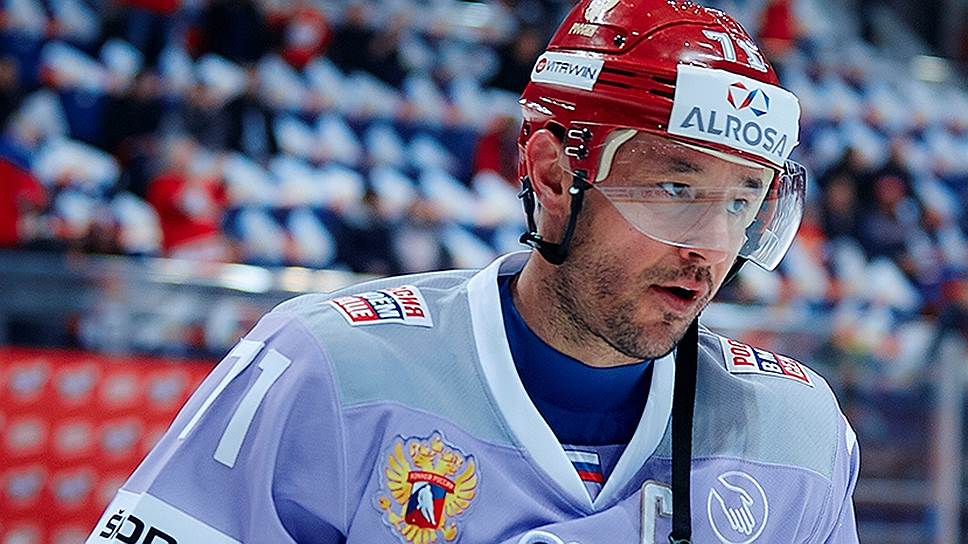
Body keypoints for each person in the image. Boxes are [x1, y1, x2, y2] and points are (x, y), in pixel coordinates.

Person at [86, 1, 859, 543]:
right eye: (675, 189)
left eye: (742, 201)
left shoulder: (798, 433)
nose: (711, 247)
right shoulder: (325, 369)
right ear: (553, 177)